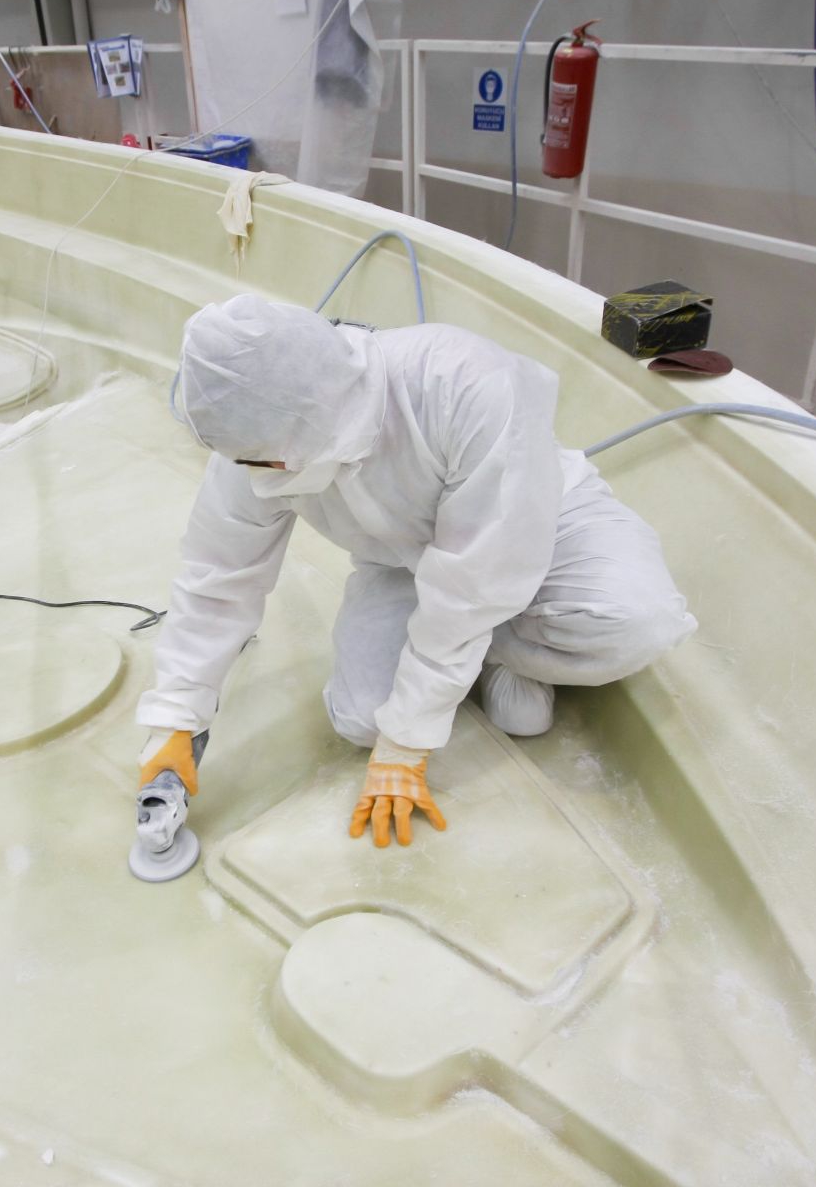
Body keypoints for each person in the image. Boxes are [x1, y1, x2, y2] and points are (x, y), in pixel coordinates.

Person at [136, 295, 695, 849]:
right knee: (360, 719)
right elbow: (218, 575)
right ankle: (493, 655)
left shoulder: (461, 381)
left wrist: (406, 744)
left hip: (544, 522)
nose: (270, 472)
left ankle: (488, 651)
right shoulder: (252, 439)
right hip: (405, 560)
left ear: (313, 413)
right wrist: (177, 719)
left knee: (634, 622)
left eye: (273, 459)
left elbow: (476, 582)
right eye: (256, 462)